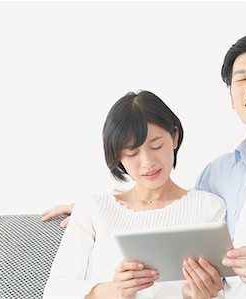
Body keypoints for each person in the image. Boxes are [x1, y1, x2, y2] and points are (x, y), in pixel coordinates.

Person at [43, 31, 246, 299]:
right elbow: (180, 225)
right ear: (232, 99)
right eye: (240, 80)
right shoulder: (216, 177)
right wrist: (103, 210)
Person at [42, 90, 226, 299]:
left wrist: (199, 294)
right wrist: (116, 290)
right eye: (132, 153)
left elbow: (223, 291)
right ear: (118, 156)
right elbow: (56, 291)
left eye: (156, 145)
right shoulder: (93, 208)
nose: (148, 162)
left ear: (174, 137)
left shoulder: (209, 208)